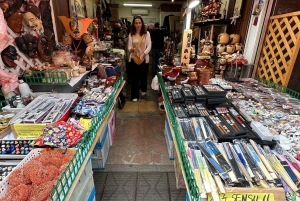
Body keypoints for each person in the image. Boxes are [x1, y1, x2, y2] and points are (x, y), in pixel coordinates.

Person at [128, 15, 151, 102]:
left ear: (142, 23)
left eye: (139, 23)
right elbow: (129, 47)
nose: (138, 25)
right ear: (134, 24)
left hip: (144, 59)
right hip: (134, 58)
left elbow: (149, 46)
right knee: (135, 78)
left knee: (143, 76)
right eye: (136, 23)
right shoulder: (131, 34)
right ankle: (134, 95)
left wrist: (144, 54)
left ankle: (143, 92)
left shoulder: (146, 34)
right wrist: (132, 49)